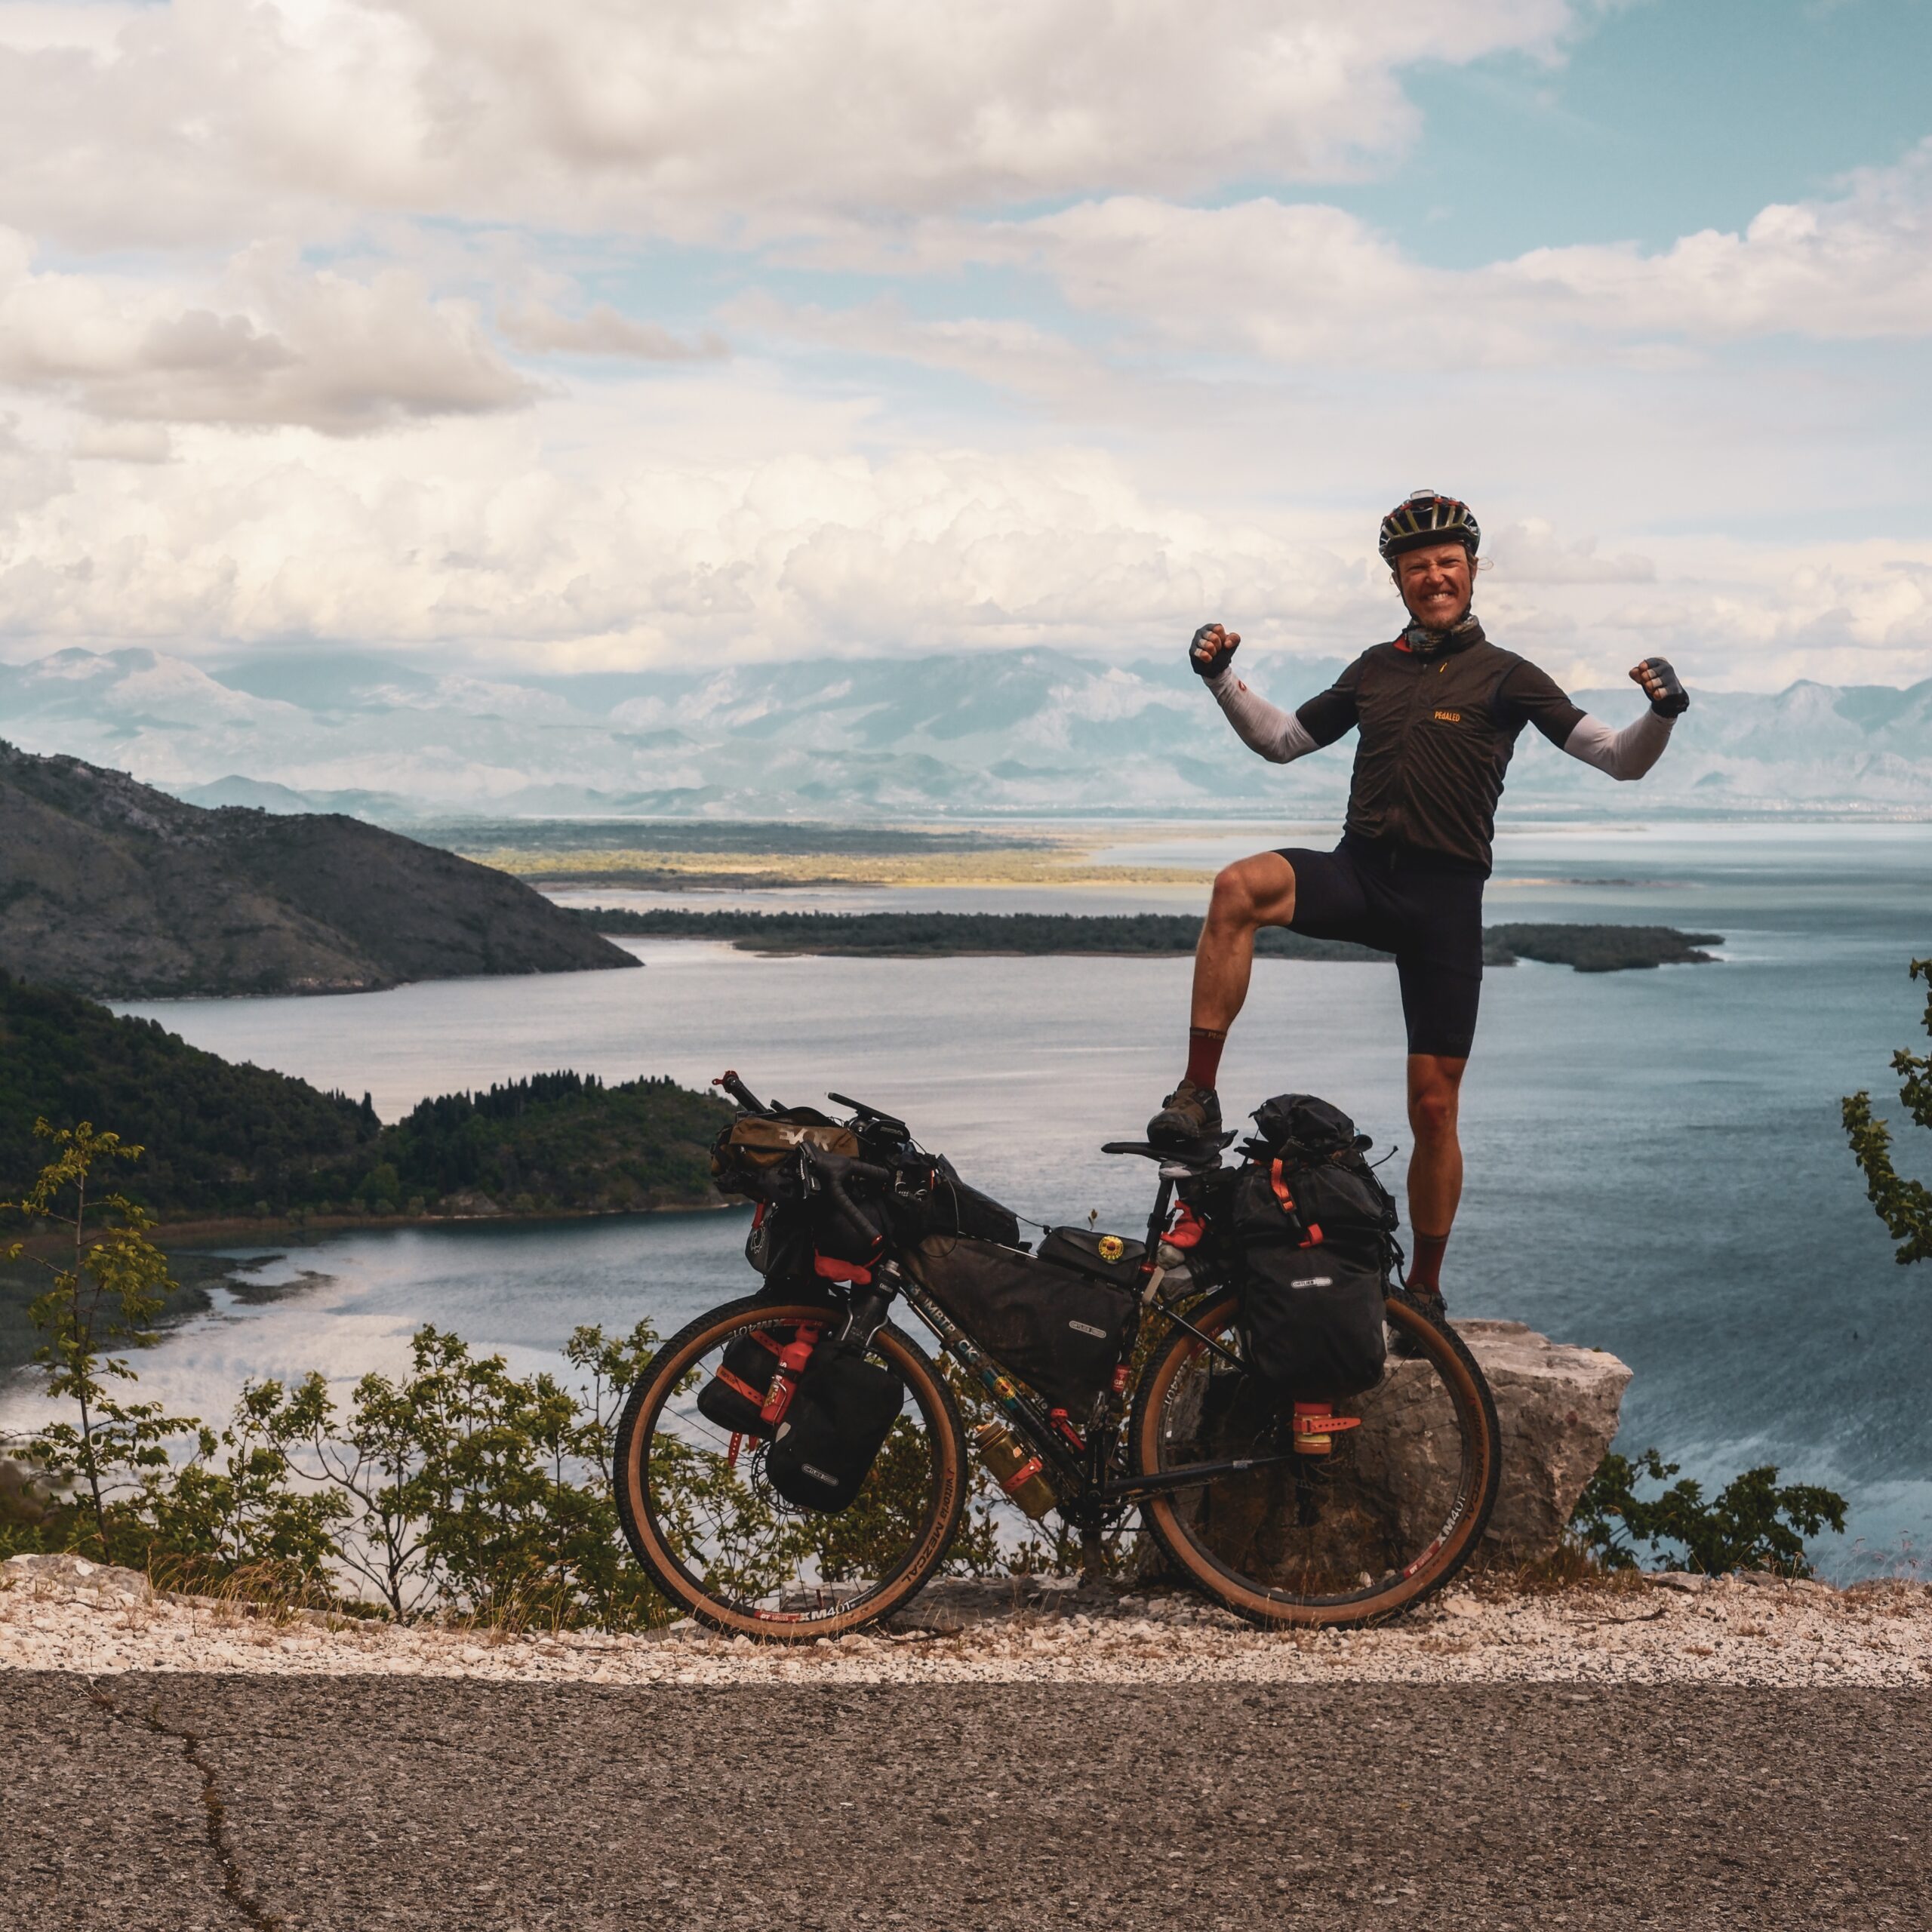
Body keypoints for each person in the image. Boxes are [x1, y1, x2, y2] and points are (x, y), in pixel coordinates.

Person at [1149, 488, 1689, 1323]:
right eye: (1417, 567)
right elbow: (1284, 740)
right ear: (1397, 579)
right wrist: (1220, 677)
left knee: (1434, 1107)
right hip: (1360, 872)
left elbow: (1617, 759)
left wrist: (1658, 714)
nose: (1433, 576)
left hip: (1442, 903)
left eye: (1448, 563)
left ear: (1472, 572)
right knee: (1236, 887)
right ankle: (1196, 1092)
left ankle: (1426, 1290)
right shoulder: (1374, 667)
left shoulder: (1507, 675)